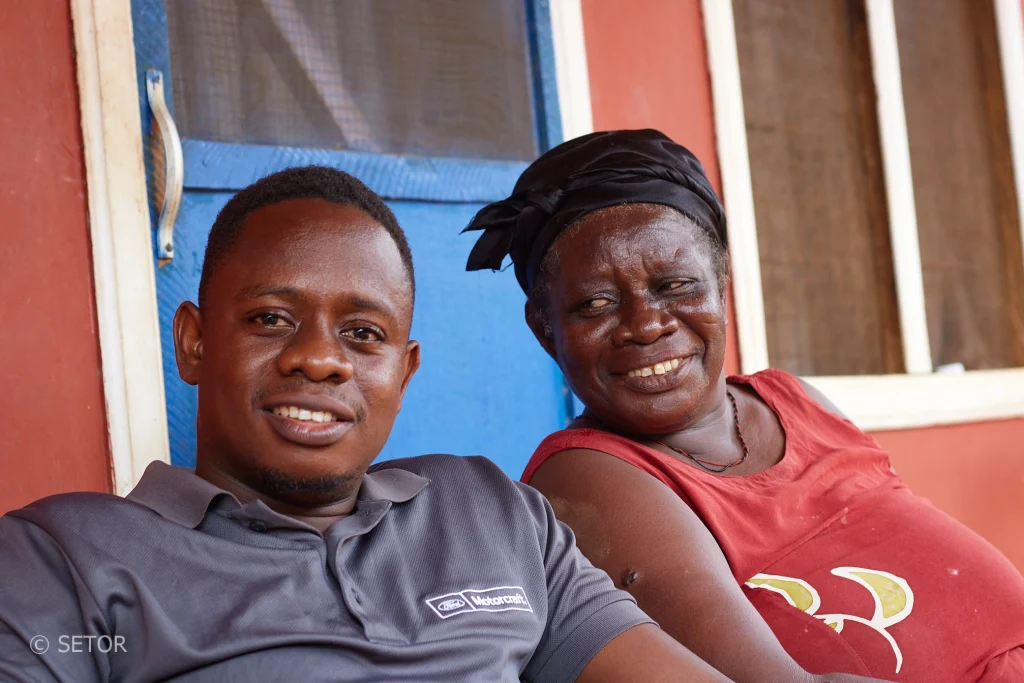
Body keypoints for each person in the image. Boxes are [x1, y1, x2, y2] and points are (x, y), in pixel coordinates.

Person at [0, 166, 734, 682]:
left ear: (404, 371)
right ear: (194, 343)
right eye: (271, 319)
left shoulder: (487, 512)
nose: (319, 359)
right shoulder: (64, 558)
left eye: (363, 334)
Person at [464, 129, 1024, 682]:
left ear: (721, 282)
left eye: (675, 285)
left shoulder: (795, 399)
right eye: (596, 303)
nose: (645, 326)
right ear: (545, 329)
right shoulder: (590, 476)